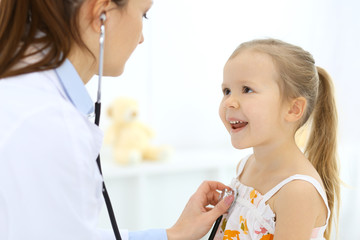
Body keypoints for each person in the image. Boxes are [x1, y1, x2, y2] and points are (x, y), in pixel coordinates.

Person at [0, 0, 235, 239]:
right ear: (102, 13)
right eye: (144, 15)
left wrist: (173, 235)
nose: (142, 38)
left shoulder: (29, 97)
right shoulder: (49, 125)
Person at [216, 39, 340, 240]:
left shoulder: (297, 191)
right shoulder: (245, 167)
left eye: (247, 89)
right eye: (226, 91)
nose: (229, 102)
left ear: (293, 109)